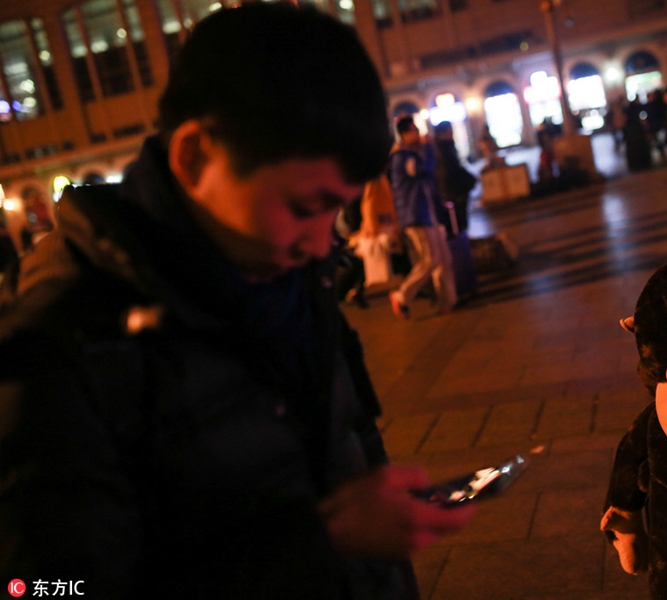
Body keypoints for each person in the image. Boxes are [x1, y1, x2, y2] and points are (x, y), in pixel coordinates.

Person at [0, 4, 473, 599]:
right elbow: (42, 585)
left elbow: (348, 444)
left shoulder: (286, 272)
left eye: (336, 209)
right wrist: (322, 541)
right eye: (304, 207)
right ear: (195, 156)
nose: (321, 242)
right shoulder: (58, 348)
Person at [388, 115, 457, 319]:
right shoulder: (402, 157)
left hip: (428, 213)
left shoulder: (412, 154)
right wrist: (427, 148)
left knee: (443, 258)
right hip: (415, 215)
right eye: (414, 131)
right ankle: (402, 295)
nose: (418, 134)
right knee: (430, 260)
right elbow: (424, 171)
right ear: (404, 134)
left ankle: (447, 301)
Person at [433, 120, 476, 235]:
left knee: (459, 221)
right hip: (454, 191)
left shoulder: (445, 146)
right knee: (457, 222)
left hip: (454, 190)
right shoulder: (443, 148)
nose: (451, 132)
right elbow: (448, 171)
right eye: (450, 130)